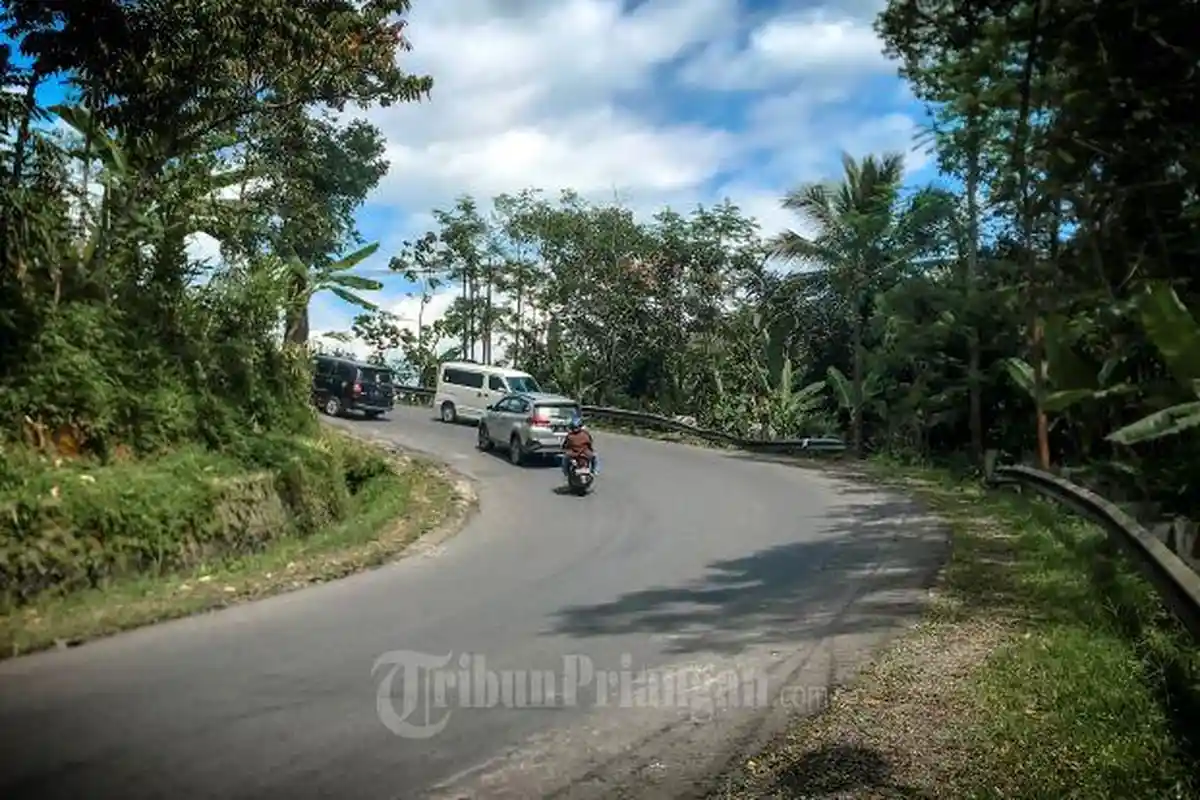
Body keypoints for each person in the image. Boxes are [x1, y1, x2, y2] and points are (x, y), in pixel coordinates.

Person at [561, 413, 598, 478]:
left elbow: (565, 445)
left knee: (565, 459)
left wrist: (564, 449)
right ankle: (594, 470)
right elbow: (590, 443)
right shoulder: (585, 434)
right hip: (585, 452)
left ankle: (565, 472)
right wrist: (591, 450)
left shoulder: (570, 436)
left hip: (574, 453)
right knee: (594, 457)